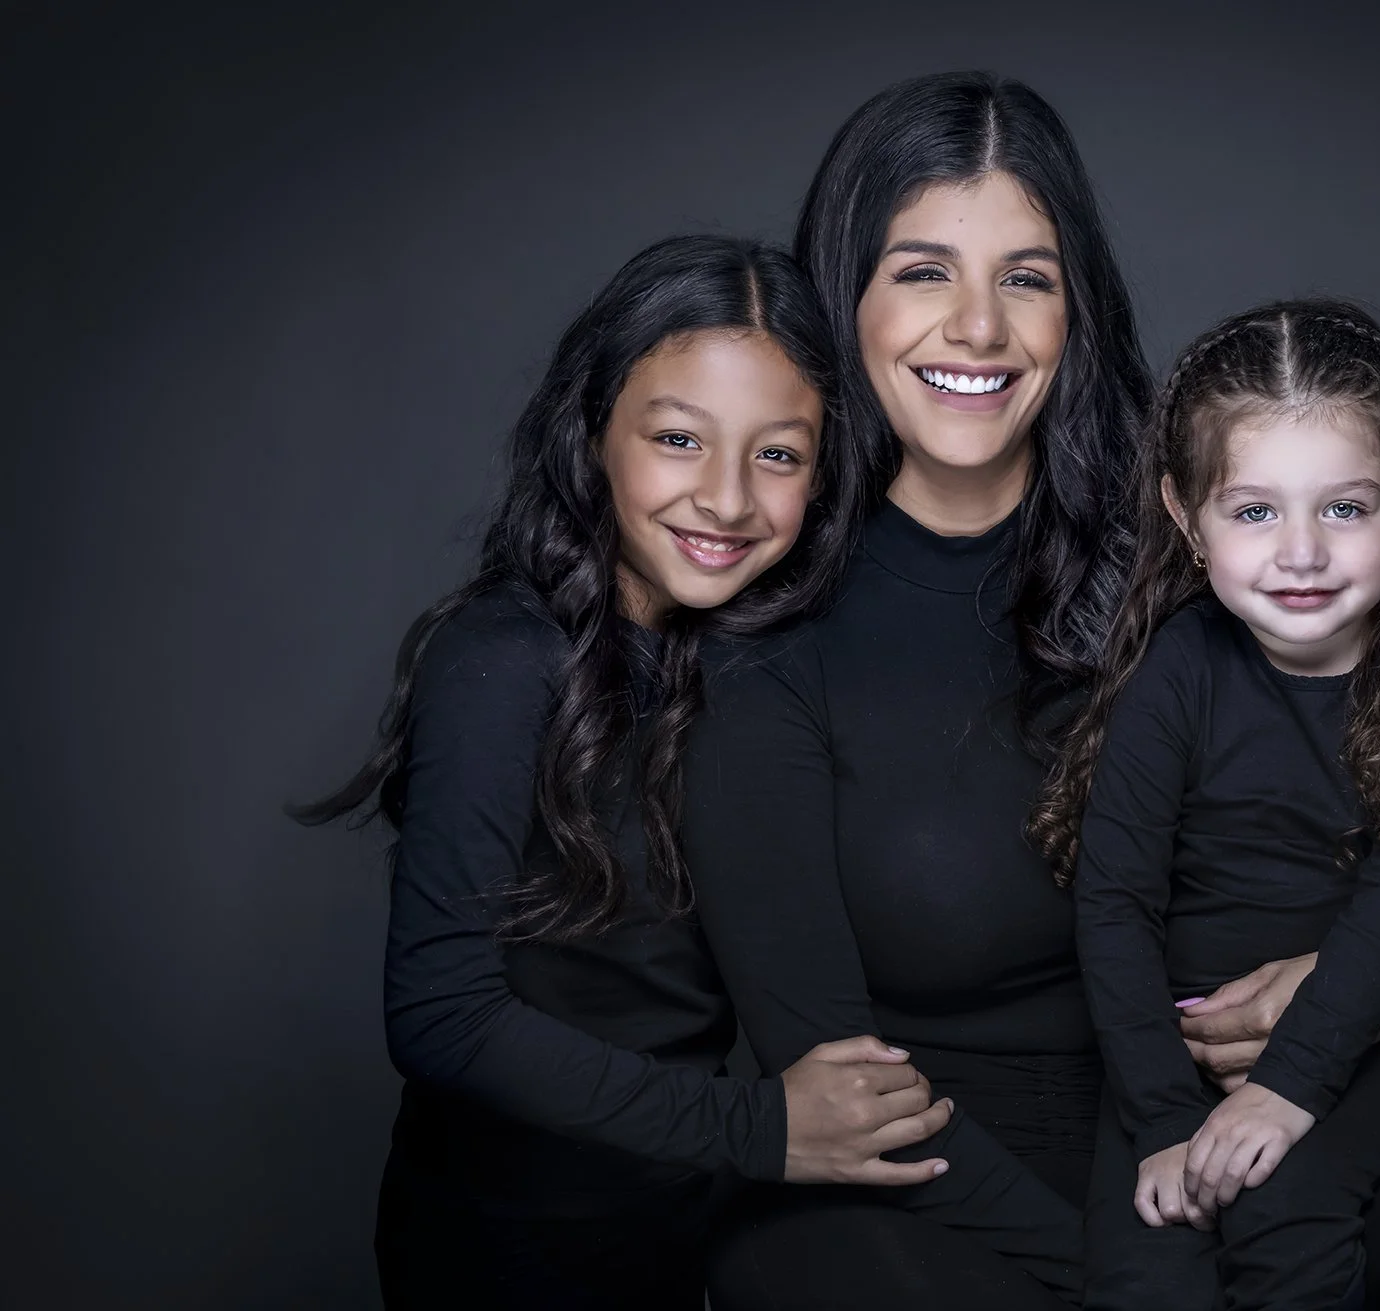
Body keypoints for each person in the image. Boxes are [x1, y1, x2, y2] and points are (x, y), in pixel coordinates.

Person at [684, 74, 1380, 1309]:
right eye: (922, 270)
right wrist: (1127, 1271)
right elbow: (832, 1077)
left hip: (1232, 1138)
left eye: (1027, 277)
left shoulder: (1201, 556)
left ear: (1076, 310)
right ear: (845, 296)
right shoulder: (772, 640)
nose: (979, 328)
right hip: (936, 1185)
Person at [294, 235, 952, 1309]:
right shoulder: (503, 659)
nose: (728, 499)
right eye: (680, 440)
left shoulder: (746, 663)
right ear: (593, 428)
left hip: (689, 1226)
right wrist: (760, 1129)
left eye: (778, 455)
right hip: (505, 1245)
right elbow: (439, 1013)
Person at [1041, 298, 1380, 1309]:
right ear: (1185, 514)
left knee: (1284, 1219)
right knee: (1145, 1272)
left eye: (1344, 508)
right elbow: (1114, 903)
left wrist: (1286, 1089)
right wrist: (1166, 1116)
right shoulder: (1175, 670)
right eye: (1254, 510)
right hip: (1166, 1064)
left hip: (1365, 1056)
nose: (1300, 553)